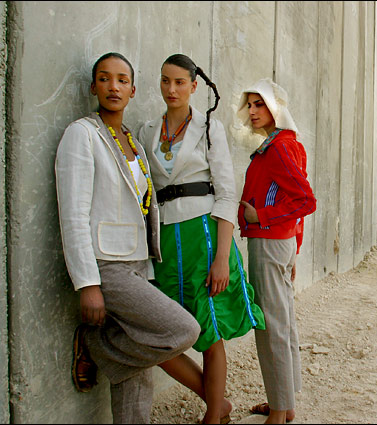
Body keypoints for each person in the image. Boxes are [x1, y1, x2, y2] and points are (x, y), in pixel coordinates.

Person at [55, 52, 201, 423]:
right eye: (104, 79)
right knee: (182, 329)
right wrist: (87, 283)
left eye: (122, 80)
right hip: (107, 265)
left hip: (139, 264)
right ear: (93, 87)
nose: (113, 86)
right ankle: (94, 343)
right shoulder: (82, 135)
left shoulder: (134, 142)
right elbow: (72, 213)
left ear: (133, 90)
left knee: (137, 383)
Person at [138, 54, 266, 424]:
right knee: (158, 335)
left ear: (194, 86)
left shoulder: (210, 128)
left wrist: (222, 257)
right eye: (165, 81)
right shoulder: (148, 131)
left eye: (180, 82)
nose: (171, 89)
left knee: (209, 333)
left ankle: (214, 415)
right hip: (163, 242)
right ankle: (218, 403)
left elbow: (227, 194)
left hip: (205, 239)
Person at [236, 78, 317, 424]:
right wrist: (295, 248)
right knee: (282, 322)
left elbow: (304, 199)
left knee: (271, 326)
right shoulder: (284, 143)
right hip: (279, 243)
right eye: (250, 105)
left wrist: (262, 216)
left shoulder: (280, 147)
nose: (253, 111)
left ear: (276, 108)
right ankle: (284, 403)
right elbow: (292, 198)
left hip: (269, 242)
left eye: (260, 104)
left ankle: (280, 411)